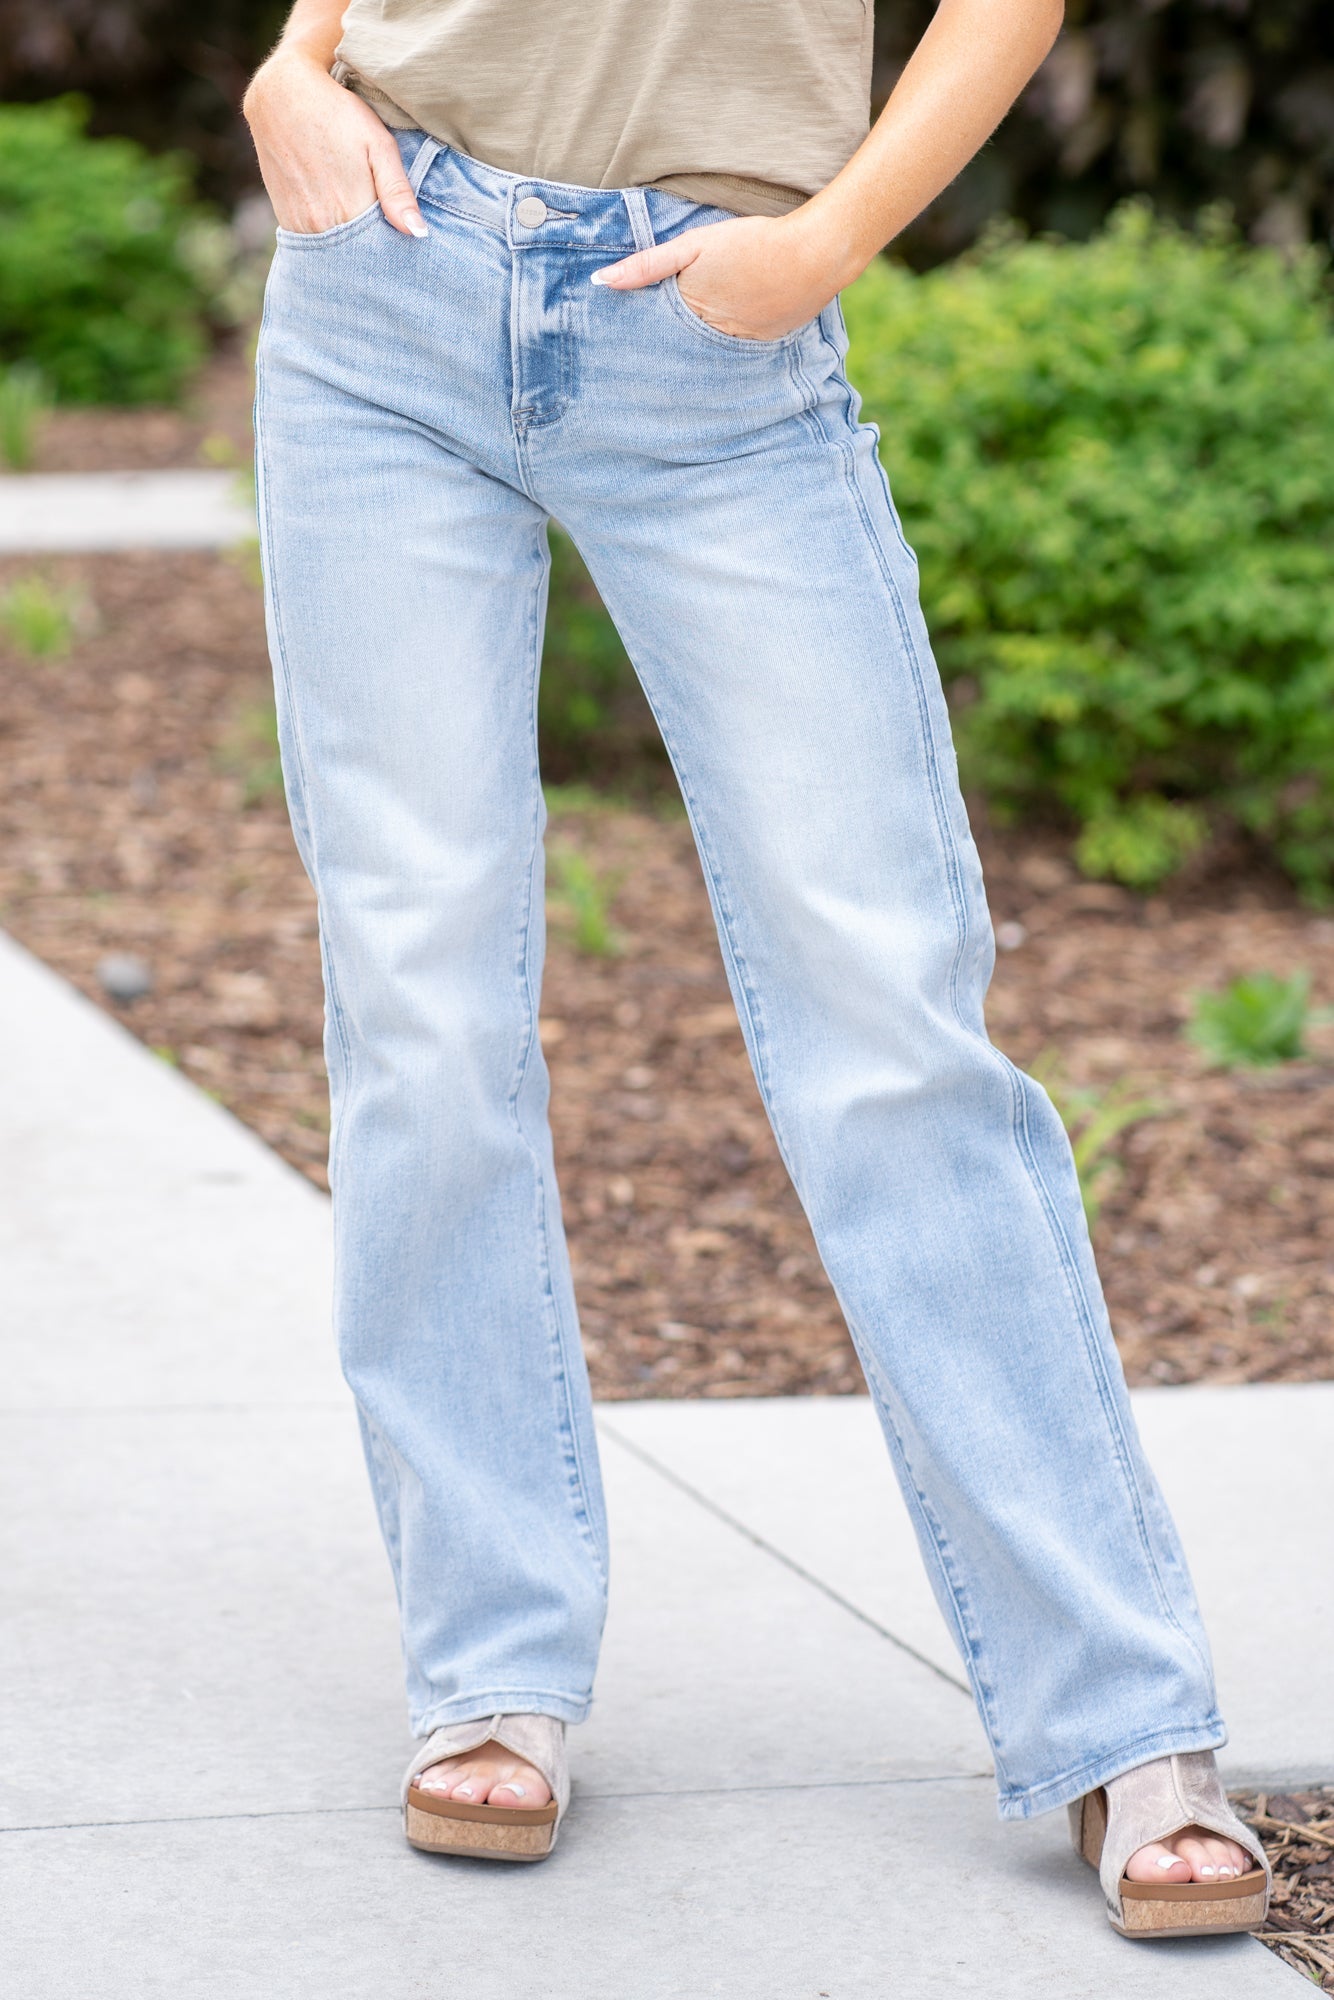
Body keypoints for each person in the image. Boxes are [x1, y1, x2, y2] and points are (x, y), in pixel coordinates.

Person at [243, 0, 1269, 1933]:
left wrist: (825, 241)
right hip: (381, 287)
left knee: (890, 1030)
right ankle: (488, 1666)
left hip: (710, 333)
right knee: (421, 1014)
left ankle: (1121, 1716)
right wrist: (291, 64)